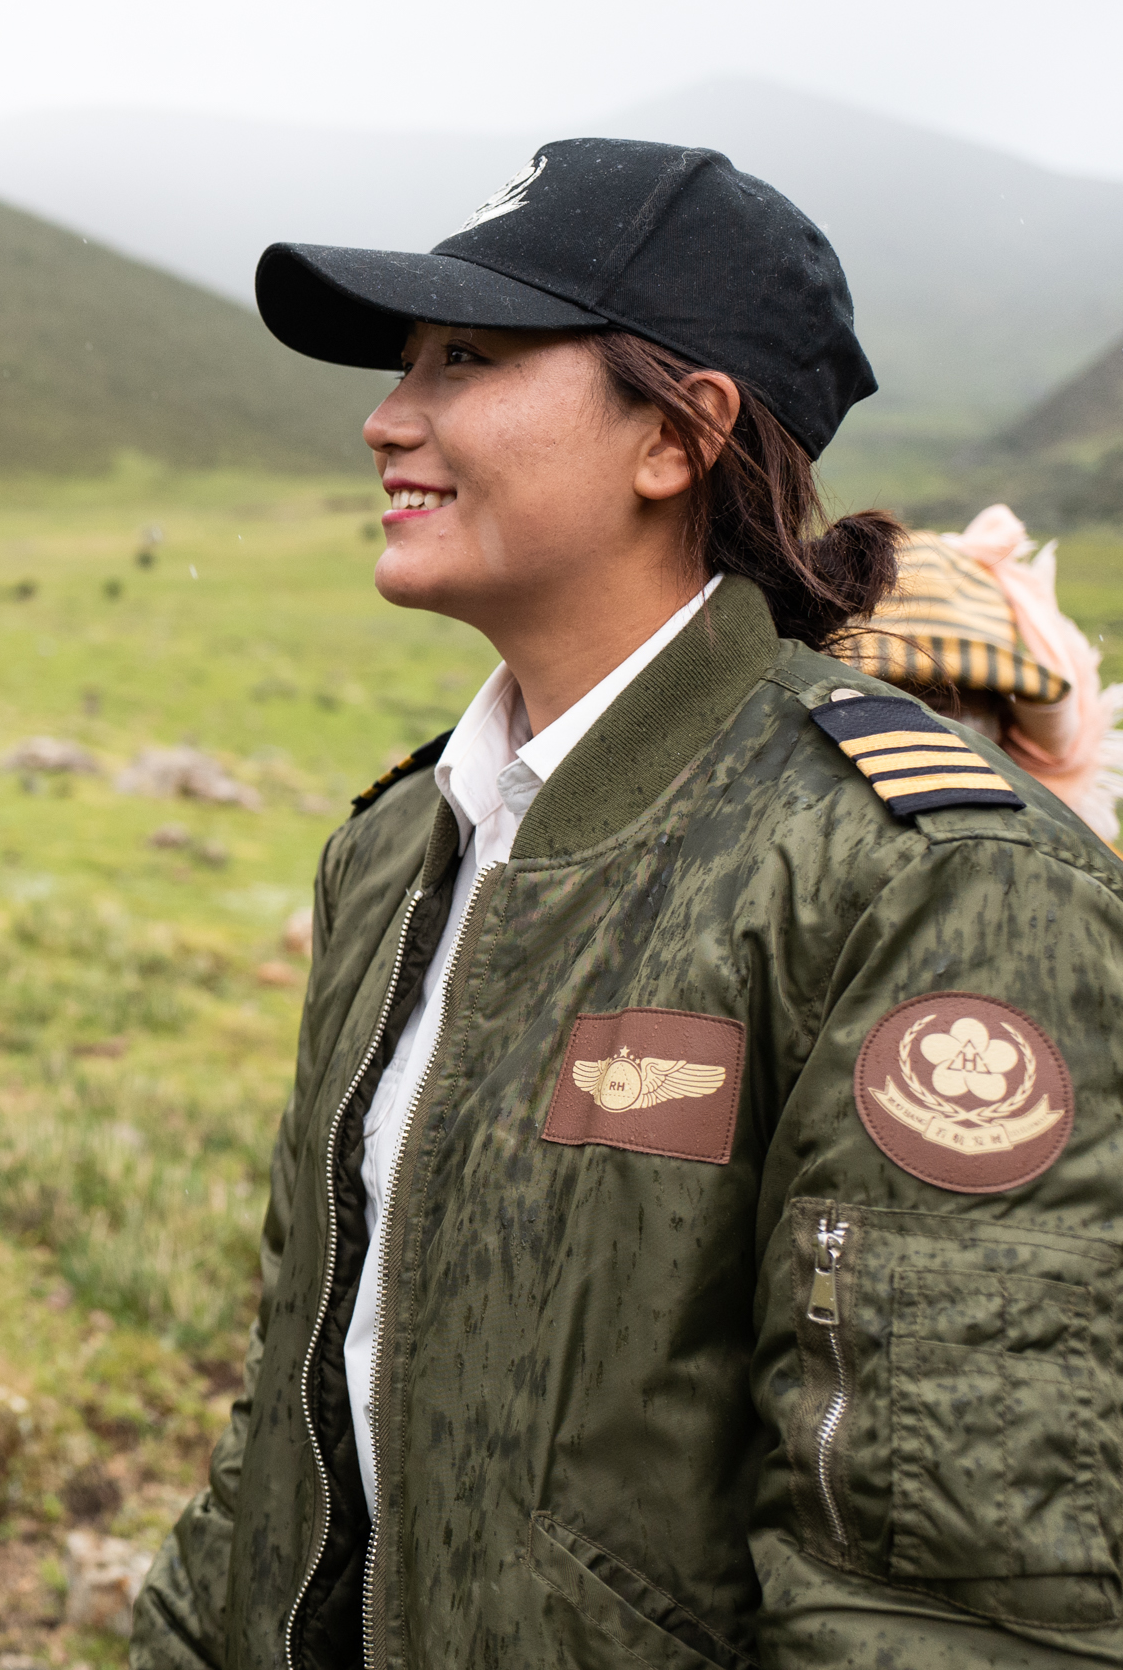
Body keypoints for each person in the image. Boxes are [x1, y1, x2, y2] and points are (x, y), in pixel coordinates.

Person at [130, 139, 1123, 1666]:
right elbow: (292, 1404)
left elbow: (944, 1594)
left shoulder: (926, 877)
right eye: (405, 364)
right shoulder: (394, 846)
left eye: (465, 359)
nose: (387, 417)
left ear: (677, 435)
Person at [834, 505, 1123, 842]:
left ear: (1002, 720)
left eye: (944, 704)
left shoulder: (1058, 859)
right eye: (882, 697)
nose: (916, 729)